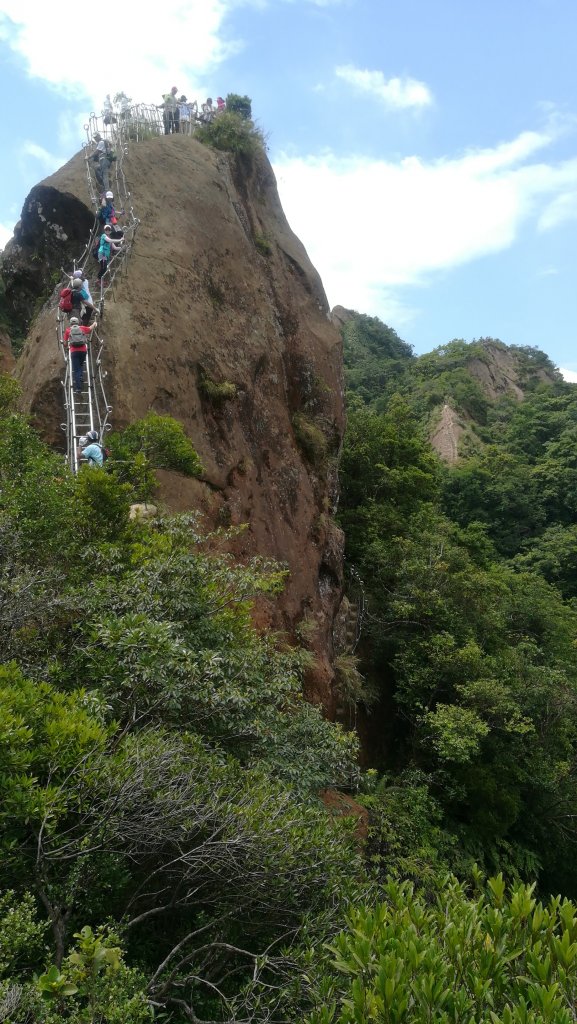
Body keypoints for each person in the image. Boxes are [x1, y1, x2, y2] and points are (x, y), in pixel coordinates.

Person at [63, 317, 97, 394]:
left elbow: (65, 344)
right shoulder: (82, 328)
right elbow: (90, 328)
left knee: (76, 370)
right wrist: (94, 323)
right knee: (81, 364)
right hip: (83, 351)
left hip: (74, 352)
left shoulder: (68, 330)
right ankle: (81, 377)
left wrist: (66, 343)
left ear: (70, 323)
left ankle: (78, 388)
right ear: (78, 322)